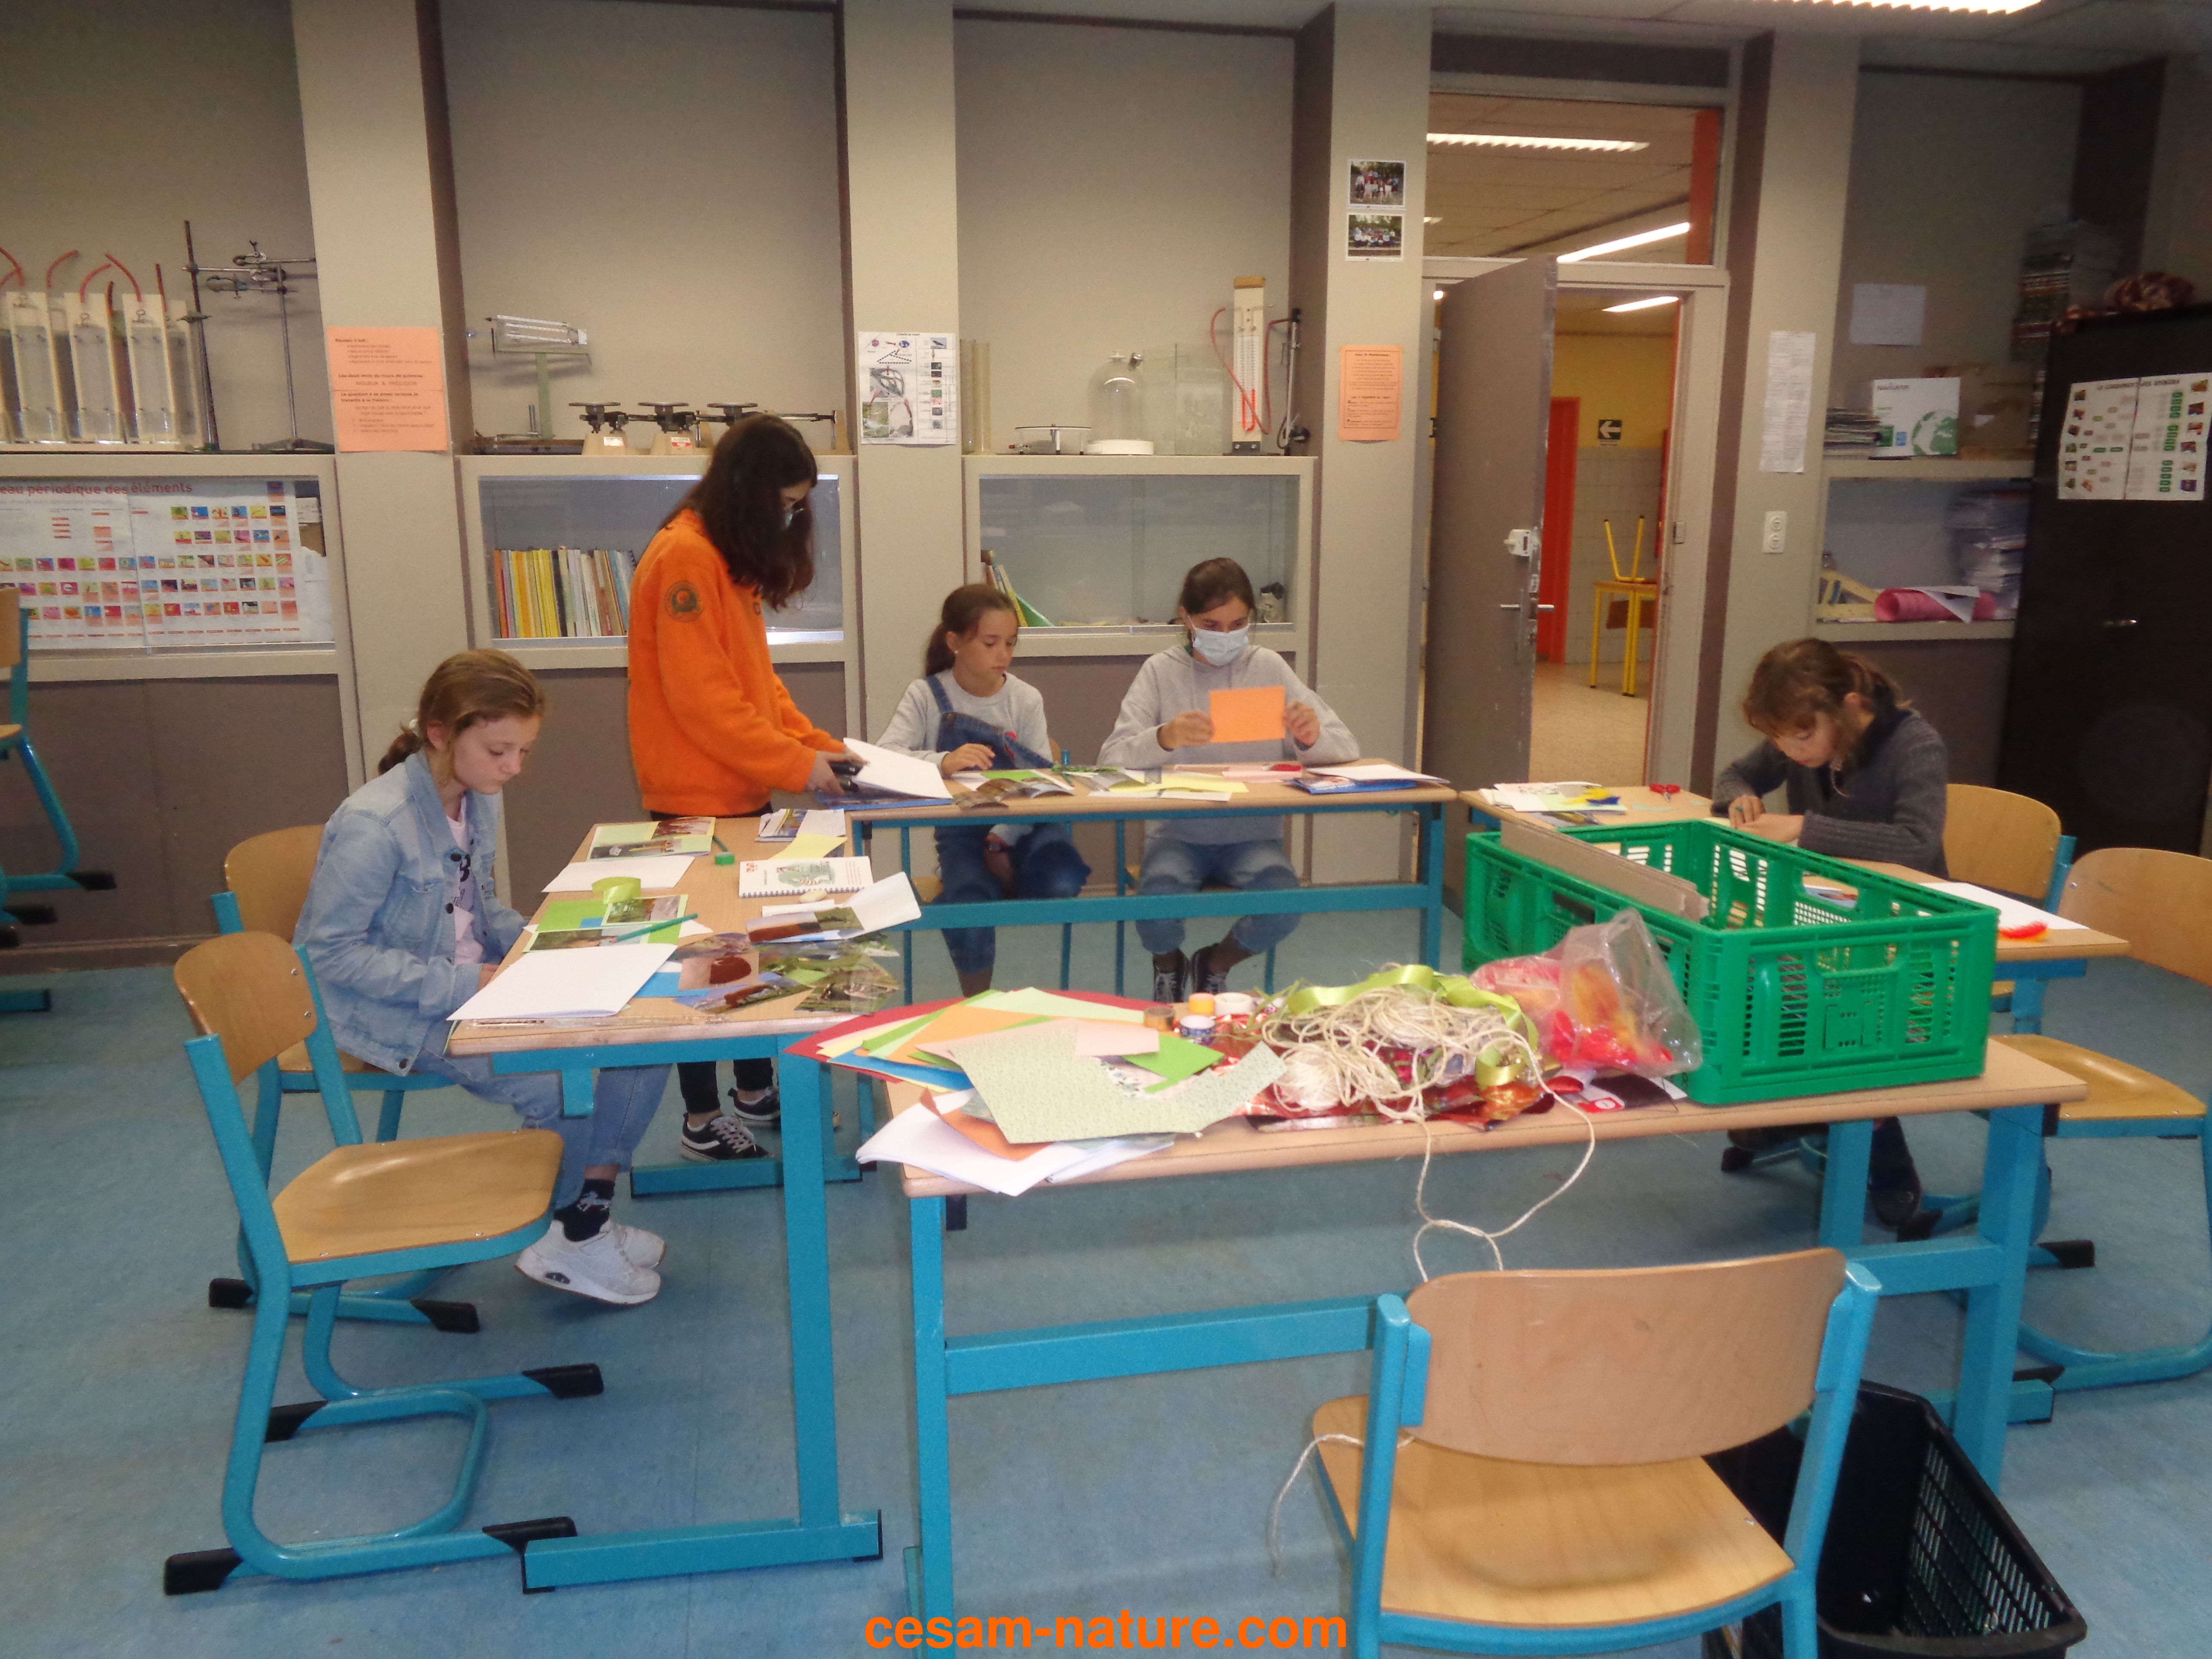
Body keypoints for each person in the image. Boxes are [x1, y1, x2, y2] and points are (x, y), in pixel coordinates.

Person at [296, 651, 670, 1306]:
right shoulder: (374, 825)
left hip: (477, 984)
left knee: (645, 1037)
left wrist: (542, 946)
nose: (514, 768)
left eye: (524, 751)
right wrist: (472, 984)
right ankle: (574, 1232)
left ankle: (581, 1219)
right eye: (500, 751)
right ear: (441, 734)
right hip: (392, 1011)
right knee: (561, 1084)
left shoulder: (475, 797)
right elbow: (329, 955)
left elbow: (478, 905)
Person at [628, 413, 849, 1164]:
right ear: (750, 493)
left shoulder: (725, 560)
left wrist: (825, 751)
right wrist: (800, 767)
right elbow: (706, 704)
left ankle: (753, 1089)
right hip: (693, 796)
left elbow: (760, 691)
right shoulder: (685, 558)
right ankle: (700, 1116)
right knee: (701, 956)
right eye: (784, 505)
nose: (789, 520)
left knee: (750, 943)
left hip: (740, 788)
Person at [1714, 636, 1950, 1229]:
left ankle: (1885, 1160)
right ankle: (1800, 1110)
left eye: (1799, 738)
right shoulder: (1804, 737)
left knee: (1839, 1008)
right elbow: (1737, 774)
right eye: (1779, 740)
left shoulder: (1914, 744)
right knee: (1749, 973)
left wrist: (1804, 827)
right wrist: (1740, 799)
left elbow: (1917, 844)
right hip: (1826, 914)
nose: (1789, 751)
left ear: (1847, 708)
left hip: (1906, 928)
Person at [1099, 556, 1357, 1003]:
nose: (1225, 636)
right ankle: (1168, 965)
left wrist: (1309, 737)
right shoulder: (1160, 672)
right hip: (1177, 833)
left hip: (1252, 834)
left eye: (1238, 625)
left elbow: (1346, 747)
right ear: (1186, 619)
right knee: (1155, 905)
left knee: (1284, 903)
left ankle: (1214, 964)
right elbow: (1110, 759)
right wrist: (1163, 738)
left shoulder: (1269, 667)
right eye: (1211, 625)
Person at [876, 584, 1090, 996]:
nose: (1002, 655)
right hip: (963, 832)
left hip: (1026, 827)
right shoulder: (926, 695)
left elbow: (1042, 781)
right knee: (970, 908)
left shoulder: (1025, 699)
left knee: (1062, 880)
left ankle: (996, 881)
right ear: (955, 642)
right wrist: (942, 760)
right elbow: (885, 756)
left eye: (1010, 643)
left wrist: (1000, 841)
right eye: (990, 643)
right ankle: (978, 1001)